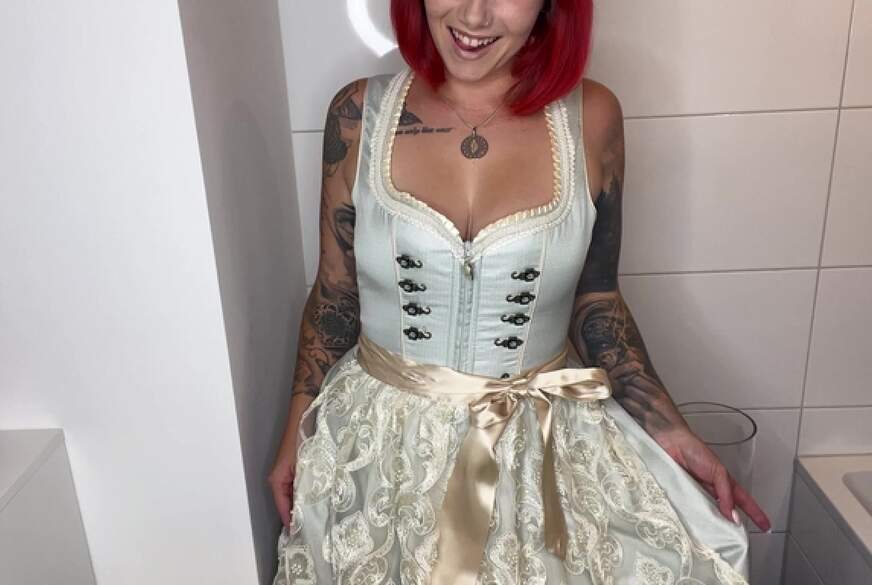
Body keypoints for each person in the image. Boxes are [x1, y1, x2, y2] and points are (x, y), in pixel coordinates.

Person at [269, 1, 772, 583]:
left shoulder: (593, 117)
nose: (474, 15)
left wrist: (671, 428)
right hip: (377, 448)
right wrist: (294, 433)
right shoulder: (358, 114)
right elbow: (335, 294)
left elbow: (597, 297)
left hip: (539, 445)